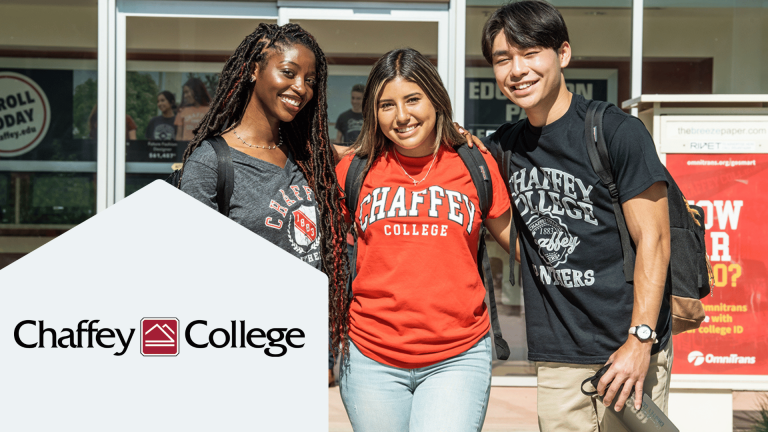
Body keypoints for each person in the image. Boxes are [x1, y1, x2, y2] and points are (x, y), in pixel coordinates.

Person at [480, 2, 672, 431]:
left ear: (562, 54)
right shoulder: (503, 149)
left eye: (531, 53)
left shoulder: (616, 132)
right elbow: (515, 232)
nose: (517, 69)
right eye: (503, 58)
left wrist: (640, 341)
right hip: (558, 355)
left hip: (629, 346)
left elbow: (655, 242)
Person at [334, 48, 512, 432]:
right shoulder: (355, 168)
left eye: (412, 99)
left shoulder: (473, 162)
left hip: (458, 355)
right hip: (369, 356)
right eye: (386, 105)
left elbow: (523, 243)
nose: (401, 116)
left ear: (435, 99)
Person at [178, 22, 349, 365]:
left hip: (305, 343)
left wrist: (445, 133)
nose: (301, 88)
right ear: (254, 70)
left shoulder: (308, 153)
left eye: (311, 80)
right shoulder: (211, 162)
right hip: (246, 346)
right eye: (288, 72)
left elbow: (370, 149)